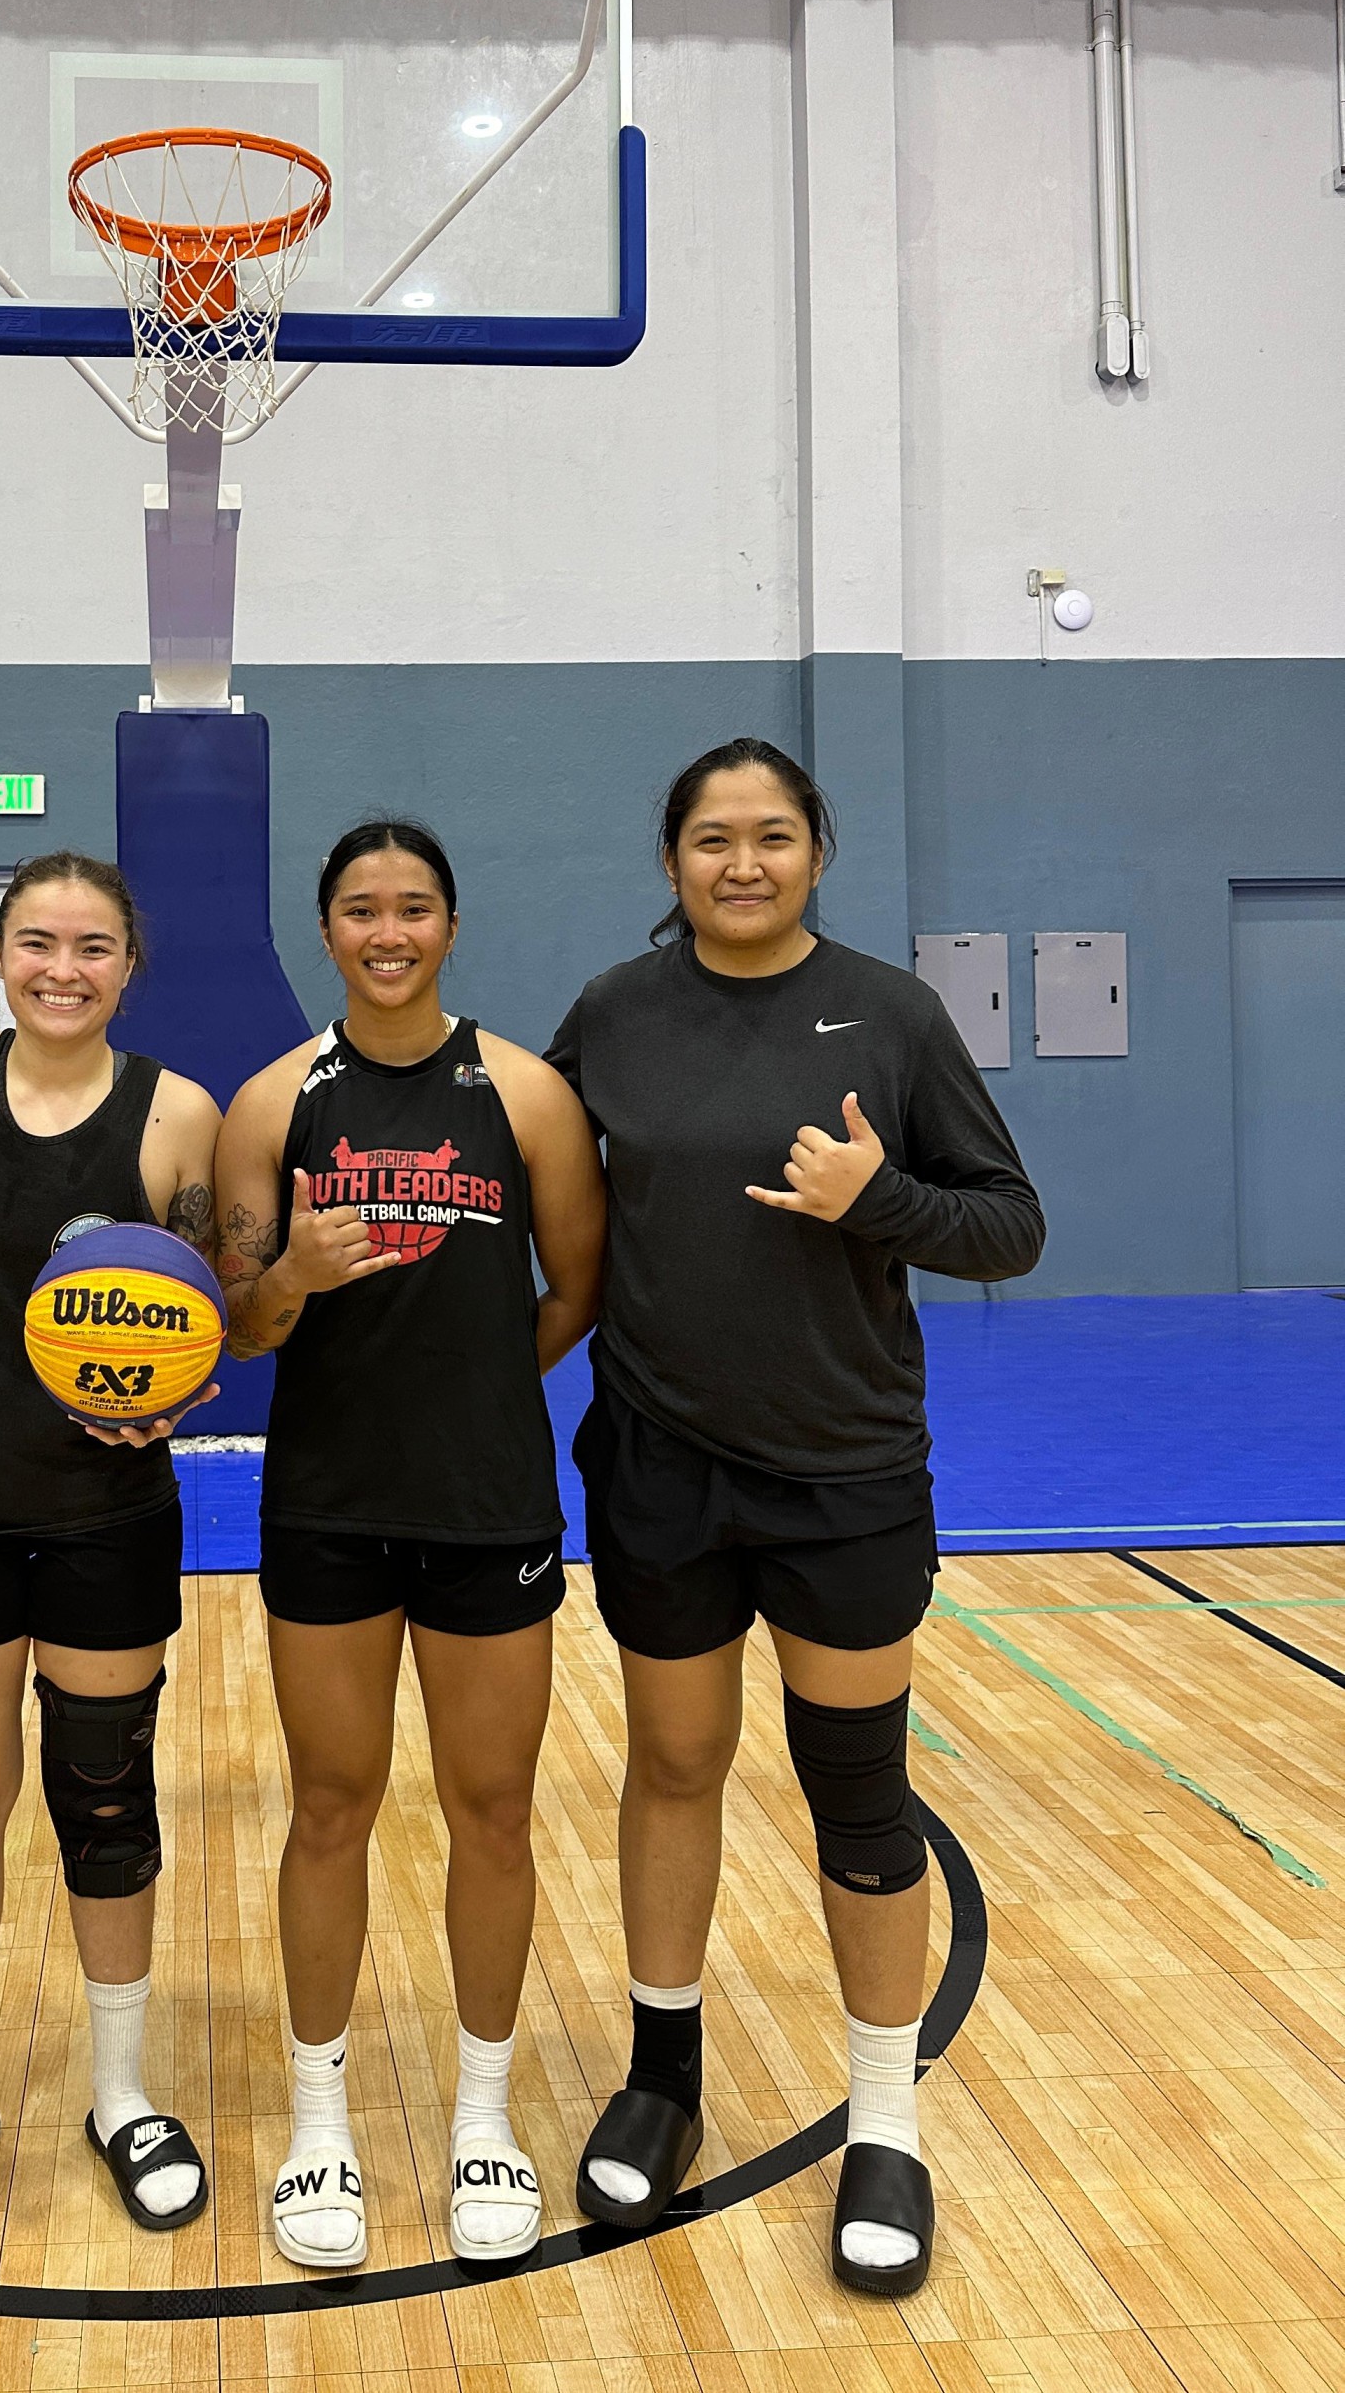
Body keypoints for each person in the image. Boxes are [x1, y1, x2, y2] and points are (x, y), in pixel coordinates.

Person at [547, 739, 1044, 2297]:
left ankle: (886, 2119)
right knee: (675, 1761)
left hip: (842, 1471)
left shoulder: (892, 1013)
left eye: (770, 835)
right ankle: (664, 2070)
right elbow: (547, 1206)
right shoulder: (613, 1017)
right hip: (660, 1465)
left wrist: (877, 1199)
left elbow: (1009, 1225)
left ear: (817, 848)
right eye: (711, 837)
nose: (740, 862)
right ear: (672, 856)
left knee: (858, 1794)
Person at [214, 820, 605, 2272]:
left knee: (490, 1808)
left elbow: (575, 1287)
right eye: (362, 910)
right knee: (331, 1803)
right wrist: (294, 1279)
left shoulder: (528, 1094)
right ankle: (321, 2124)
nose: (390, 930)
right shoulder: (274, 1102)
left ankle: (484, 2118)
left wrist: (487, 1387)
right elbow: (242, 1323)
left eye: (415, 907)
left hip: (489, 1504)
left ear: (452, 922)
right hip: (324, 1504)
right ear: (327, 931)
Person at [0, 852, 222, 2246]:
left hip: (105, 1513)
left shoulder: (177, 1111)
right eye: (36, 941)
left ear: (129, 964)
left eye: (91, 945)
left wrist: (178, 1395)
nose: (61, 966)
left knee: (105, 1794)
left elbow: (207, 1298)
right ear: (1, 952)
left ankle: (121, 2091)